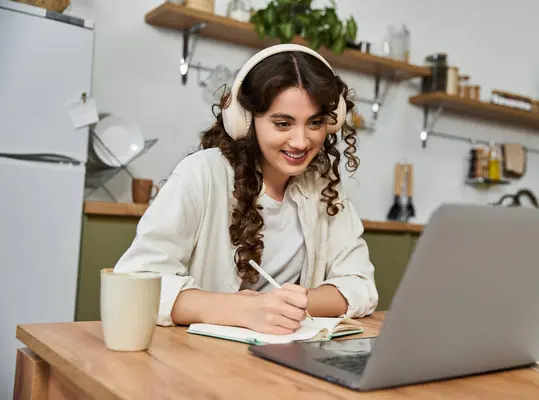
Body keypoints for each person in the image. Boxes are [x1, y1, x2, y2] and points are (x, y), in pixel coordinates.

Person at [113, 44, 378, 335]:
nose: (301, 141)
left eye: (314, 123)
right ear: (246, 121)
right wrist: (243, 310)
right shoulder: (203, 173)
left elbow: (361, 285)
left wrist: (290, 304)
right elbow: (137, 281)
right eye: (282, 123)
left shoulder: (323, 186)